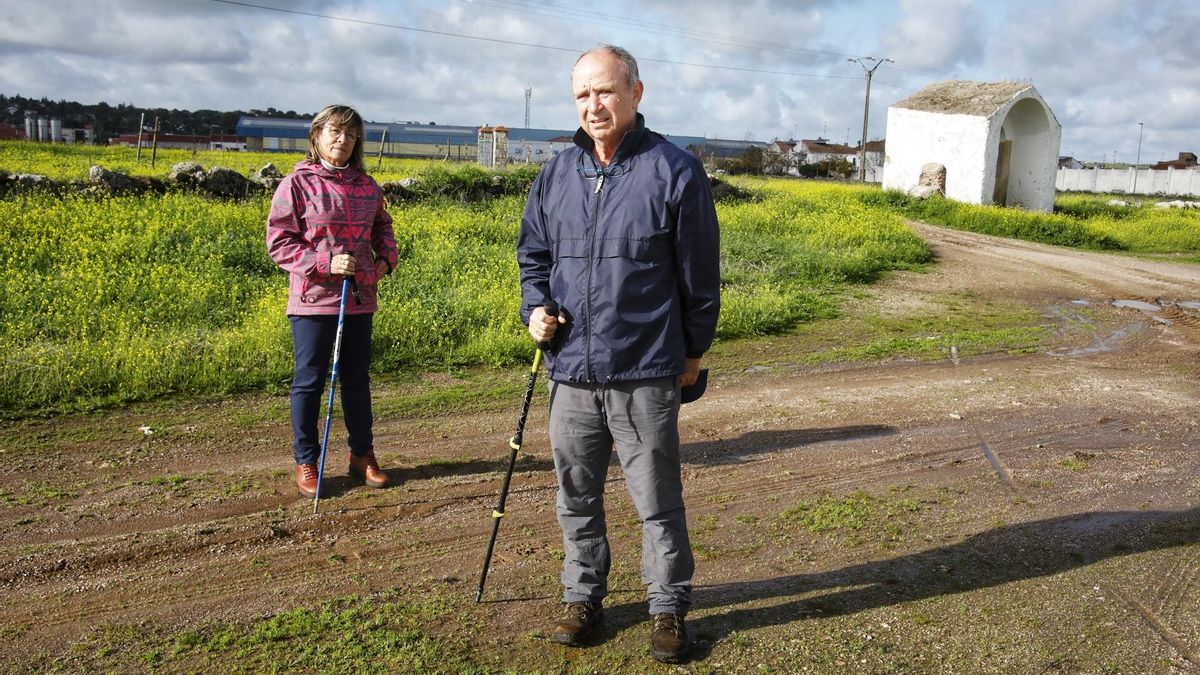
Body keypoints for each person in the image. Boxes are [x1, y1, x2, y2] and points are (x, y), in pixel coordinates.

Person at [517, 45, 720, 664]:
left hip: (646, 369)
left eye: (604, 92)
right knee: (575, 496)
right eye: (582, 95)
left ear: (636, 92)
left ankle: (668, 609)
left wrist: (692, 352)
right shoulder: (555, 174)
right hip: (571, 368)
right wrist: (533, 309)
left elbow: (699, 277)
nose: (593, 105)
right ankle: (583, 598)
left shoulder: (675, 170)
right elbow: (535, 258)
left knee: (656, 501)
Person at [266, 104, 398, 498]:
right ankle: (307, 460)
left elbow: (383, 227)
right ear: (317, 136)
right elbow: (279, 242)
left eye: (351, 134)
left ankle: (362, 456)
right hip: (313, 300)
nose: (343, 140)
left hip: (359, 300)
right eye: (335, 132)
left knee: (357, 381)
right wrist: (324, 263)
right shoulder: (297, 184)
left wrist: (384, 262)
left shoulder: (367, 185)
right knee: (309, 382)